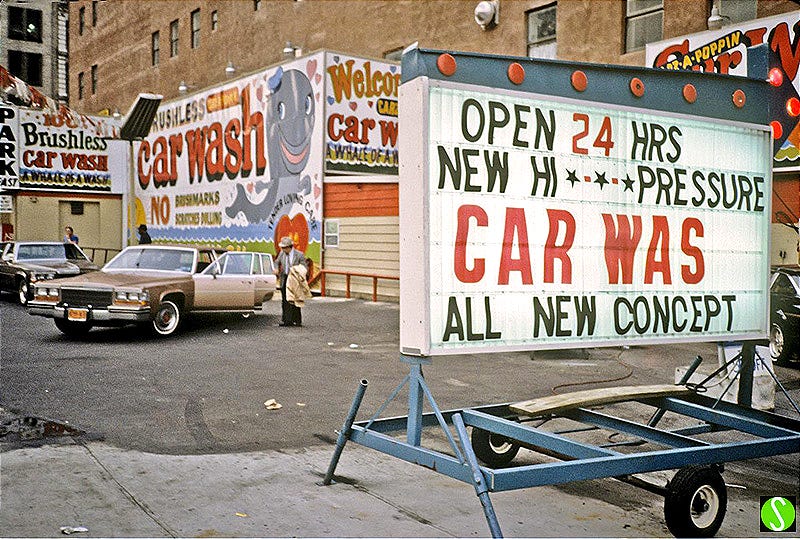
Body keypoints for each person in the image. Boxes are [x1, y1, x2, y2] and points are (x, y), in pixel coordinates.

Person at [275, 236, 306, 327]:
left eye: (284, 248)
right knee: (285, 300)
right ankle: (287, 320)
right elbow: (277, 262)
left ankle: (297, 320)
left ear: (289, 247)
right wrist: (276, 269)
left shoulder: (299, 254)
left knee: (295, 299)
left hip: (294, 279)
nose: (283, 249)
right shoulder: (282, 254)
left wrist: (298, 272)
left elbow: (304, 267)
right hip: (285, 278)